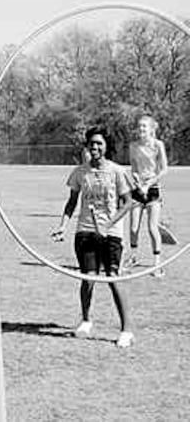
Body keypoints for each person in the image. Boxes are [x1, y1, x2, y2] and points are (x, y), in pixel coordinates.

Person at [51, 126, 133, 348]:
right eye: (92, 143)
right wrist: (63, 226)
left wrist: (109, 224)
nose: (95, 147)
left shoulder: (117, 171)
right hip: (85, 231)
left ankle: (126, 330)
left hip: (111, 234)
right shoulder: (80, 172)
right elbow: (71, 202)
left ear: (106, 147)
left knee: (113, 278)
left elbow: (127, 203)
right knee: (88, 277)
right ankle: (86, 320)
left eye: (99, 143)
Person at [125, 115, 168, 277]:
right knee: (133, 227)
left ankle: (157, 264)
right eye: (139, 126)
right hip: (137, 190)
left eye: (144, 126)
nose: (141, 129)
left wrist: (148, 184)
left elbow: (164, 169)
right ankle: (133, 257)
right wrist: (136, 180)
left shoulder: (158, 145)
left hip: (153, 190)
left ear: (151, 129)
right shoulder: (133, 146)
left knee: (152, 228)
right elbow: (134, 168)